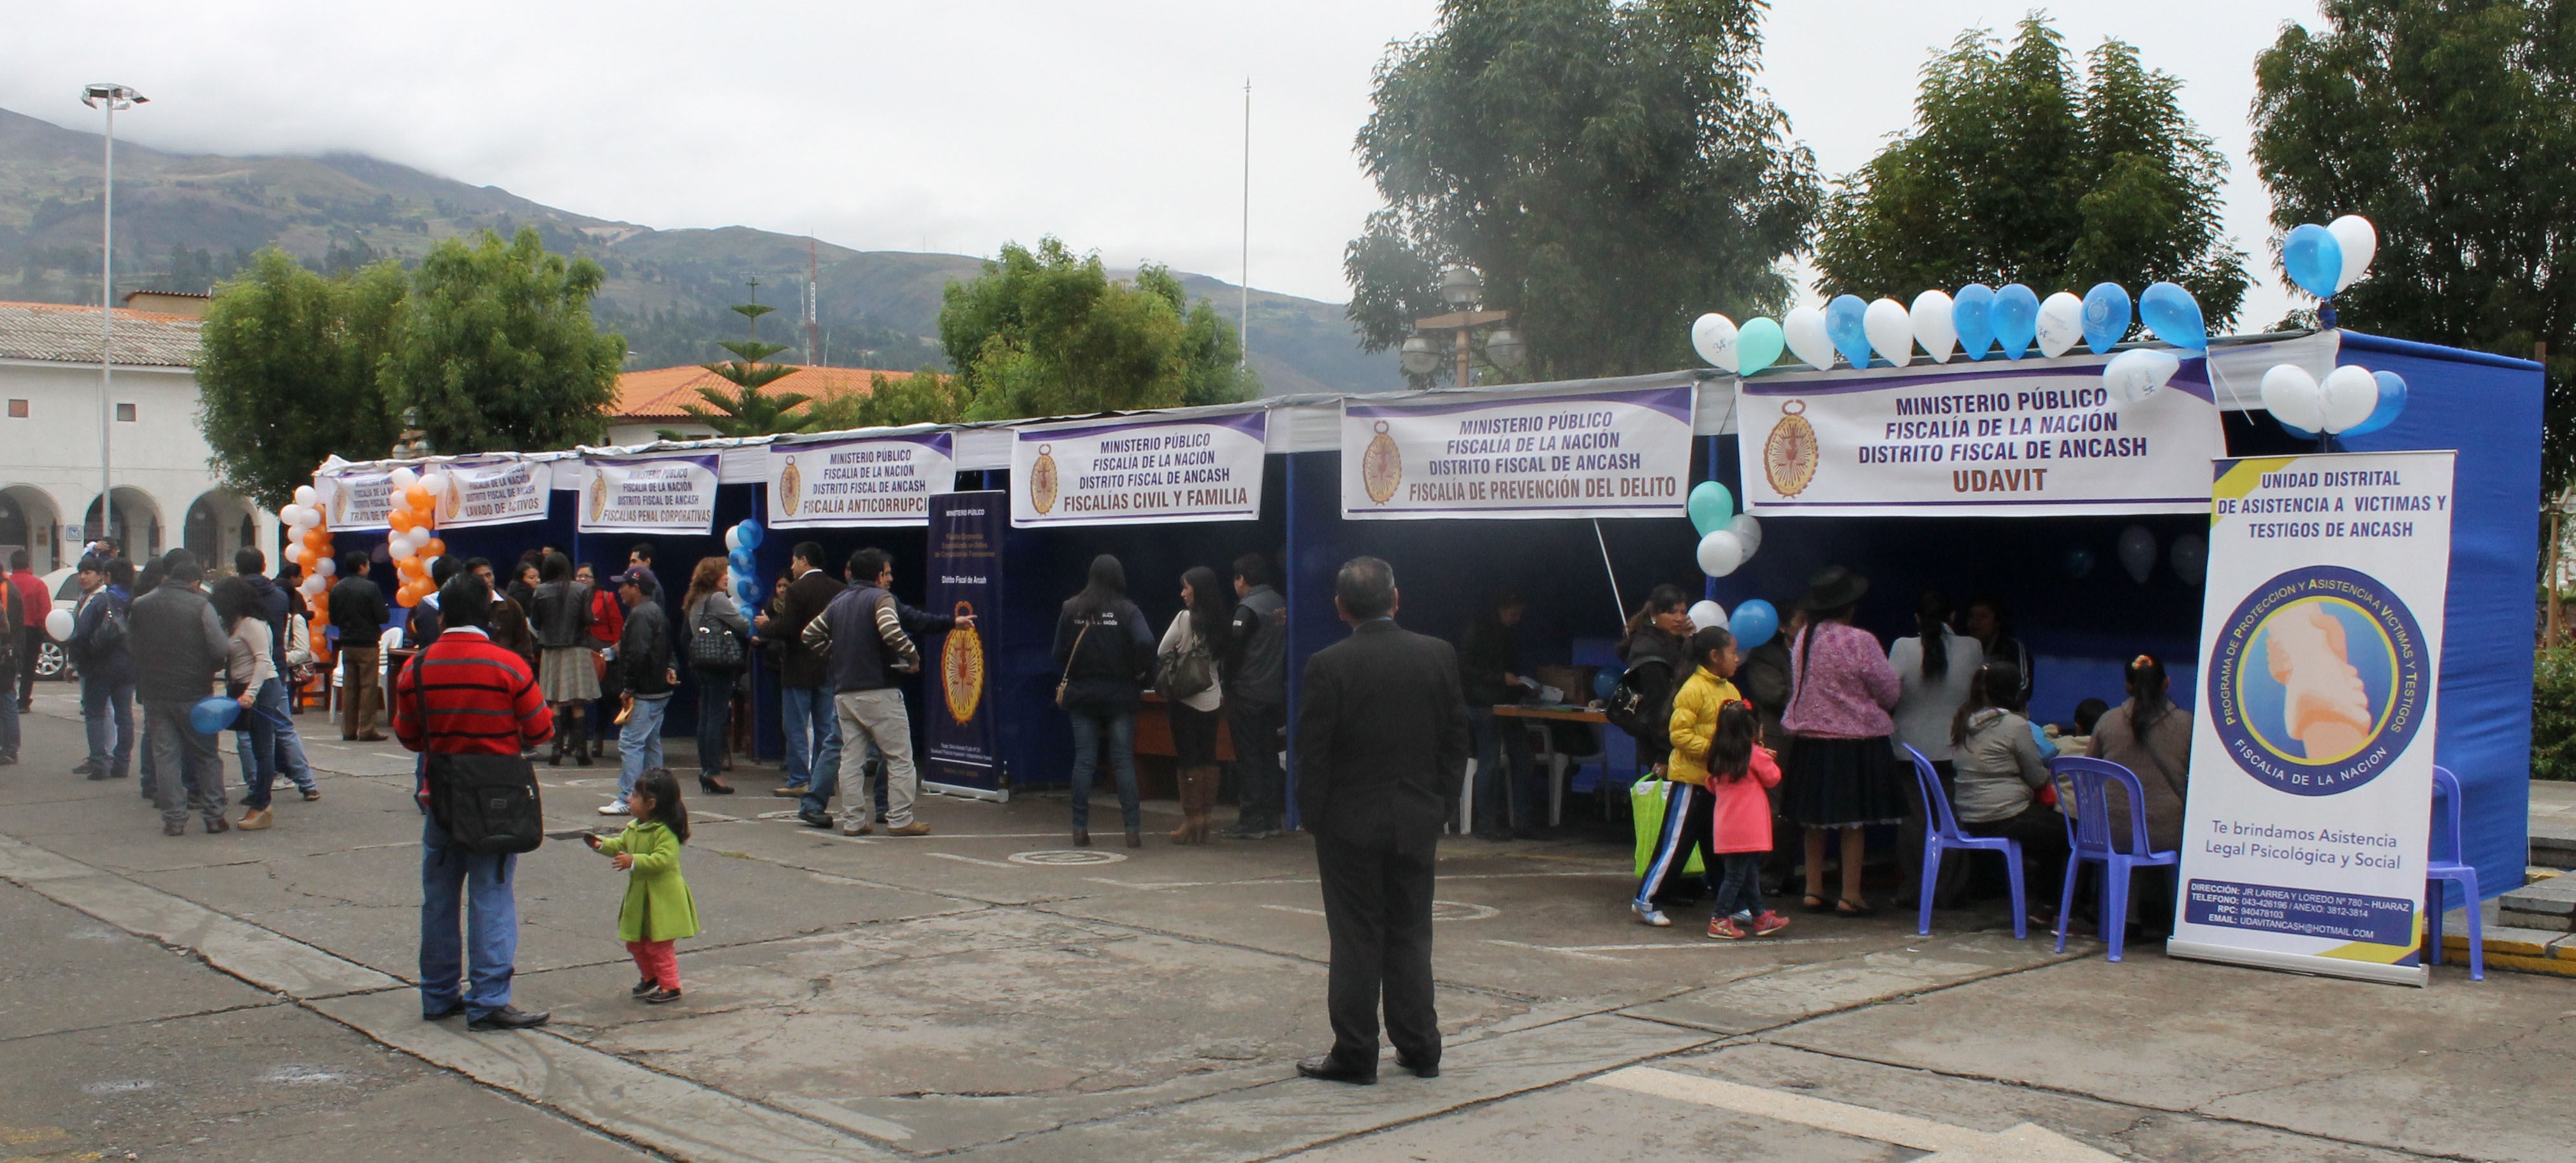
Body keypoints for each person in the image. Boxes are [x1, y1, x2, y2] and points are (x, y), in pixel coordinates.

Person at [1291, 556, 1467, 1086]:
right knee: (1411, 933)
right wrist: (1441, 805)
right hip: (1415, 816)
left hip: (1348, 823)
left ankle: (1355, 1052)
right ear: (1396, 598)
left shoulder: (1328, 665)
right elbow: (1455, 739)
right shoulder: (1437, 655)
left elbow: (1313, 753)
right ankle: (1420, 1046)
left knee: (1355, 937)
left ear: (1341, 607)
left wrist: (1314, 817)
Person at [392, 571, 553, 1032]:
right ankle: (488, 999)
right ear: (487, 613)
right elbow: (541, 730)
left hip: (439, 795)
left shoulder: (416, 667)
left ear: (441, 615)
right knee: (492, 895)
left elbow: (408, 736)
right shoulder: (508, 666)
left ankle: (439, 994)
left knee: (439, 898)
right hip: (496, 800)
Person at [798, 547, 967, 835]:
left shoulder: (840, 601)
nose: (890, 579)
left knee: (851, 760)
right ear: (878, 575)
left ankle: (853, 822)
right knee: (900, 757)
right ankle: (901, 819)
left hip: (844, 693)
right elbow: (891, 630)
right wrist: (912, 658)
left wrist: (835, 655)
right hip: (879, 691)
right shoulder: (881, 599)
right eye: (887, 573)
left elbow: (810, 634)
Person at [1778, 567, 1904, 917]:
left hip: (1810, 738)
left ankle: (1813, 890)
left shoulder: (1804, 638)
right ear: (1849, 607)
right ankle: (1851, 894)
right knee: (1853, 822)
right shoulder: (1860, 641)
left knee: (1813, 821)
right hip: (1855, 741)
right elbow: (1888, 689)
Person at [1633, 625, 1745, 928]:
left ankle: (1730, 903)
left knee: (1718, 846)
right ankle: (1646, 900)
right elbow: (1679, 734)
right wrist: (1715, 750)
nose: (1738, 659)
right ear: (1714, 655)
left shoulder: (1729, 689)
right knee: (1674, 845)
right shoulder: (1693, 689)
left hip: (1715, 782)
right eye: (1733, 653)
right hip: (1691, 782)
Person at [1949, 660, 2067, 921]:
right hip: (2004, 816)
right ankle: (2049, 907)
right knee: (2069, 831)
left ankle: (2036, 898)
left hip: (1969, 816)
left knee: (2044, 829)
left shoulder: (1964, 721)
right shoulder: (2015, 725)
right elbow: (2037, 778)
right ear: (2015, 692)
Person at [1052, 555, 1156, 848]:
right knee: (1122, 761)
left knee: (1084, 760)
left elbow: (1058, 653)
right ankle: (1132, 829)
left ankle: (1079, 828)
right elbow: (1146, 642)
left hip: (1083, 694)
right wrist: (1137, 669)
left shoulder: (1071, 608)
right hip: (1120, 694)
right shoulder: (1128, 610)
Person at [2086, 654, 2192, 936]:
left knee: (2129, 835)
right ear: (2167, 683)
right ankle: (2180, 921)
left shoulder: (2107, 721)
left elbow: (2089, 771)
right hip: (2167, 834)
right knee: (2156, 826)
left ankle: (2126, 919)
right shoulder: (2187, 724)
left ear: (2128, 687)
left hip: (2111, 833)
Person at [1887, 589, 1981, 909]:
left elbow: (1888, 693)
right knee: (1954, 820)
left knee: (1914, 822)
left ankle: (1916, 889)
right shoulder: (1973, 648)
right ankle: (1950, 891)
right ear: (1953, 617)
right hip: (1956, 746)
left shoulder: (1902, 647)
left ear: (1917, 618)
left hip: (1908, 748)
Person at [134, 550, 231, 837]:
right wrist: (210, 668)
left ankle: (174, 818)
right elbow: (221, 649)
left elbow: (133, 646)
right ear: (195, 581)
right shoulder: (201, 605)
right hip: (194, 690)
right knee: (206, 754)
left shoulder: (141, 605)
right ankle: (214, 815)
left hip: (155, 691)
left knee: (166, 756)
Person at [585, 767, 698, 1005]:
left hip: (662, 899)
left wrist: (634, 861)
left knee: (659, 944)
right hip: (641, 897)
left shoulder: (664, 832)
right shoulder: (634, 827)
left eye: (635, 796)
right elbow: (620, 846)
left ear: (652, 804)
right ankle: (651, 976)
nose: (629, 799)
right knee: (636, 942)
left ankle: (670, 985)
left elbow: (664, 860)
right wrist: (601, 845)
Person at [762, 542, 844, 800]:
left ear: (804, 561)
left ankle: (799, 779)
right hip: (827, 666)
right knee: (825, 728)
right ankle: (824, 781)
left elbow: (789, 628)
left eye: (795, 561)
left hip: (798, 667)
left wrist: (766, 626)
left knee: (796, 726)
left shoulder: (797, 590)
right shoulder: (838, 589)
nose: (793, 566)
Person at [1701, 702, 1789, 941]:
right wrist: (1767, 756)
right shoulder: (1754, 754)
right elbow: (1773, 778)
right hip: (1749, 830)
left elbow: (1710, 784)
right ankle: (1719, 919)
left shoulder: (1718, 756)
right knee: (1736, 877)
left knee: (1748, 873)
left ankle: (1760, 916)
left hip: (1727, 828)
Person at [234, 549, 317, 799]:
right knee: (284, 728)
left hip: (245, 670)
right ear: (264, 565)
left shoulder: (236, 594)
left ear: (238, 567)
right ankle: (307, 783)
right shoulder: (280, 596)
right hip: (277, 668)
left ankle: (256, 785)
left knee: (246, 733)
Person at [1457, 589, 1538, 839]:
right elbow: (1466, 669)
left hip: (1506, 702)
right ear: (1501, 610)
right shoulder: (1478, 630)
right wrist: (1500, 678)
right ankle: (1486, 824)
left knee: (1524, 759)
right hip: (1483, 703)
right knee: (1489, 762)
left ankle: (1523, 821)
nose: (1517, 619)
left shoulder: (1508, 633)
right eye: (1514, 614)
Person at [1160, 566, 1231, 845]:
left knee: (1187, 759)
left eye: (1186, 588)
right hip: (1212, 696)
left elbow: (1163, 649)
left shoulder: (1184, 618)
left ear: (1197, 590)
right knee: (1208, 757)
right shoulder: (1221, 621)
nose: (1183, 593)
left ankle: (1191, 820)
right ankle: (1206, 818)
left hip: (1185, 697)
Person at [214, 577, 288, 830]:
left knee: (263, 749)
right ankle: (260, 802)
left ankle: (262, 804)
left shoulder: (251, 625)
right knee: (257, 746)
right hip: (247, 686)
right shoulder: (237, 624)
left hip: (260, 688)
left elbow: (263, 661)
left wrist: (250, 693)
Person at [1223, 553, 1288, 839]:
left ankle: (1251, 819)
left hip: (1247, 692)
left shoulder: (1247, 609)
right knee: (1269, 755)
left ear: (1242, 579)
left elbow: (1233, 653)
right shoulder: (1280, 603)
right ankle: (1272, 817)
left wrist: (1228, 682)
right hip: (1273, 693)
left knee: (1248, 757)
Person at [609, 569, 676, 815]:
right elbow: (667, 648)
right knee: (650, 743)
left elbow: (637, 654)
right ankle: (656, 796)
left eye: (624, 585)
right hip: (659, 690)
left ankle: (629, 797)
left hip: (645, 691)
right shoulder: (656, 611)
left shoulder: (640, 615)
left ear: (636, 588)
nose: (620, 590)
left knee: (631, 742)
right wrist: (671, 668)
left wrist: (628, 687)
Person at [680, 557, 748, 797]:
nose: (728, 577)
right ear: (713, 576)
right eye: (724, 573)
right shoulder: (718, 599)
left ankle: (707, 768)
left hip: (701, 661)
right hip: (719, 662)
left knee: (706, 716)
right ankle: (713, 771)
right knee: (717, 717)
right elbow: (742, 625)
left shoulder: (695, 600)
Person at [1613, 584, 1695, 776]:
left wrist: (1688, 641)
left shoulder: (1670, 642)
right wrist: (1664, 755)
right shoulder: (1650, 650)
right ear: (1655, 615)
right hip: (1662, 747)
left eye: (1683, 612)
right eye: (1671, 612)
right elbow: (1657, 707)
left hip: (1675, 738)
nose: (1679, 618)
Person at [69, 556, 135, 781]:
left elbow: (81, 633)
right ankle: (122, 763)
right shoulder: (136, 599)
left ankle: (99, 764)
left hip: (99, 667)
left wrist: (77, 660)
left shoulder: (101, 601)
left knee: (95, 714)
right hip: (127, 666)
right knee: (124, 716)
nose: (83, 577)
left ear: (106, 576)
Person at [529, 553, 597, 767]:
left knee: (555, 701)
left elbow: (536, 623)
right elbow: (587, 618)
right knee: (578, 702)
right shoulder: (581, 589)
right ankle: (581, 751)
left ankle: (556, 749)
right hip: (577, 649)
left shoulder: (540, 591)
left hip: (550, 650)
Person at [331, 551, 389, 741]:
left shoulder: (337, 589)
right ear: (362, 566)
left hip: (347, 643)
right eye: (368, 564)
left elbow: (333, 618)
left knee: (350, 688)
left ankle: (348, 729)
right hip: (368, 644)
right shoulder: (371, 588)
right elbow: (383, 616)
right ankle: (367, 729)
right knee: (368, 687)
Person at [579, 562, 623, 760]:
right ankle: (576, 741)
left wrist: (614, 650)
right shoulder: (574, 598)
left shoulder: (607, 598)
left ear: (595, 580)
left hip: (604, 654)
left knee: (607, 697)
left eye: (586, 576)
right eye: (579, 576)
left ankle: (600, 740)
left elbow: (617, 625)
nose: (582, 579)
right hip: (583, 653)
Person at [1963, 594, 2033, 703]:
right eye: (1972, 616)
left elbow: (2023, 686)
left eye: (1983, 616)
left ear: (1997, 622)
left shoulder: (2012, 648)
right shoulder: (1961, 648)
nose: (1976, 622)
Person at [9, 549, 45, 713]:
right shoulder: (38, 584)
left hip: (8, 630)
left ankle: (7, 698)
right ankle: (23, 702)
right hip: (31, 630)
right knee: (29, 668)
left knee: (9, 666)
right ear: (28, 564)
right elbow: (44, 610)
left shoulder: (6, 583)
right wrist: (44, 628)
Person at [0, 559, 20, 765]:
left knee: (6, 701)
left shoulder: (6, 591)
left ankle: (10, 748)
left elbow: (7, 626)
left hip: (5, 654)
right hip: (9, 651)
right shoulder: (8, 587)